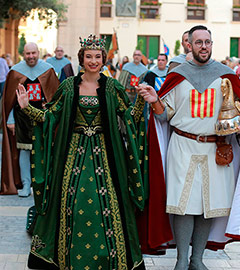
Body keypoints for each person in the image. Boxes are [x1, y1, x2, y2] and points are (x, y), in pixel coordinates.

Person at [16, 34, 148, 270]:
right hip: (73, 156)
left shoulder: (111, 87)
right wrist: (27, 109)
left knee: (104, 206)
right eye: (89, 56)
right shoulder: (68, 86)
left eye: (98, 57)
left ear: (103, 59)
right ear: (81, 58)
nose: (93, 61)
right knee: (73, 205)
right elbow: (50, 117)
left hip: (105, 156)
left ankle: (108, 260)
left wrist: (140, 102)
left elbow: (129, 118)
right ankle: (69, 259)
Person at [137, 25, 240, 270]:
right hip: (183, 146)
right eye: (199, 42)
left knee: (208, 207)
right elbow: (165, 115)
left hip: (216, 149)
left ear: (212, 44)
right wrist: (155, 101)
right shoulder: (177, 75)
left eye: (208, 42)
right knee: (183, 207)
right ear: (189, 45)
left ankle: (197, 260)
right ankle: (181, 261)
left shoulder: (226, 75)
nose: (204, 46)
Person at [0, 42, 59, 196]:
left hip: (43, 117)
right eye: (28, 54)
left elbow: (56, 96)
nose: (31, 56)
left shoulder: (47, 70)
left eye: (33, 53)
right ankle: (26, 185)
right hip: (22, 119)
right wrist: (10, 119)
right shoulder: (15, 72)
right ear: (23, 54)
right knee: (24, 151)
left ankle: (42, 184)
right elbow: (9, 100)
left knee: (44, 150)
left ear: (38, 53)